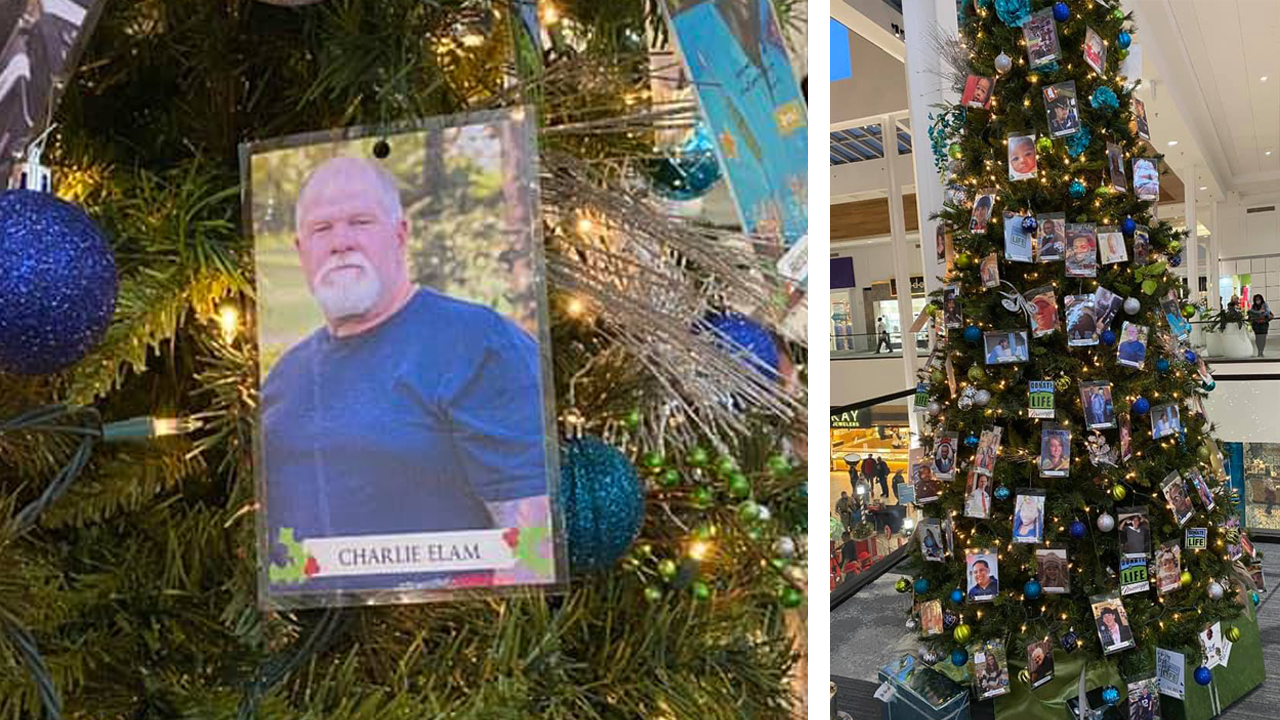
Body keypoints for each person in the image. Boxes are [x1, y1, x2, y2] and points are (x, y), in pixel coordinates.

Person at [263, 157, 549, 591]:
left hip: (440, 640)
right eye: (322, 229)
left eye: (360, 221)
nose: (341, 242)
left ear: (400, 234)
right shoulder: (285, 376)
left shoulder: (476, 343)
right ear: (301, 249)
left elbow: (531, 538)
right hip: (306, 644)